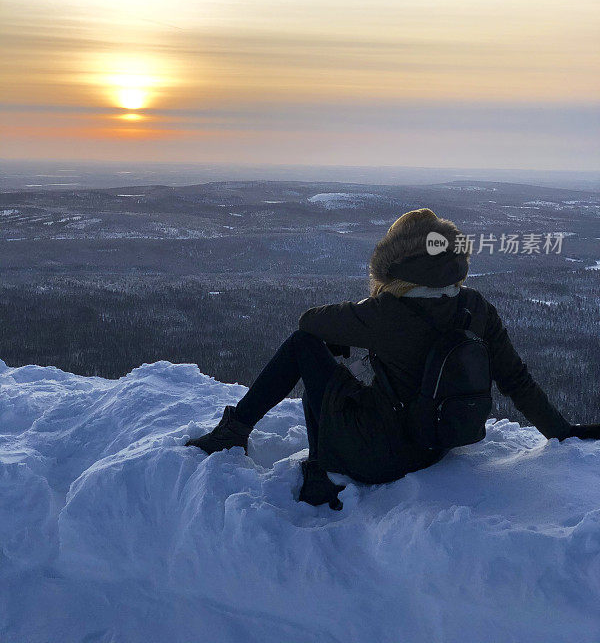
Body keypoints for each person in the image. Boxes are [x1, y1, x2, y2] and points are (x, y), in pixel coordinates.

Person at [186, 208, 599, 508]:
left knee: (305, 348)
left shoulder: (384, 313)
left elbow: (308, 321)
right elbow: (516, 380)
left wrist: (367, 309)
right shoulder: (475, 307)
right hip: (434, 446)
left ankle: (242, 432)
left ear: (396, 261)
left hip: (377, 457)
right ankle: (314, 454)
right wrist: (561, 430)